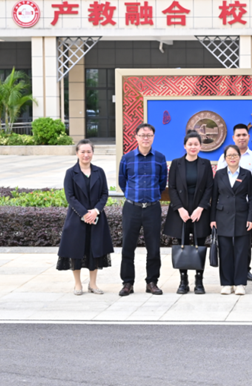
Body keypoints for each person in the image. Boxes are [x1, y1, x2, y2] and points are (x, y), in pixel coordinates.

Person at [58, 139, 114, 295]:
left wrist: (95, 211)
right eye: (82, 151)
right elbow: (70, 196)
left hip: (96, 218)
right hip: (76, 218)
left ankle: (93, 284)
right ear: (77, 153)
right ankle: (77, 284)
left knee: (94, 250)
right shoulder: (71, 173)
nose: (86, 155)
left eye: (89, 151)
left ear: (93, 153)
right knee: (76, 251)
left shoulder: (99, 172)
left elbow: (104, 194)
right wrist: (84, 213)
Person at [118, 123, 168, 296]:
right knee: (128, 246)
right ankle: (127, 283)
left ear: (153, 137)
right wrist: (134, 196)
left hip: (152, 208)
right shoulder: (127, 158)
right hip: (132, 207)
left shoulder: (160, 158)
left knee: (153, 247)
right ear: (136, 137)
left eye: (149, 135)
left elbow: (162, 183)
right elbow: (122, 182)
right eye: (142, 135)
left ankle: (152, 282)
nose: (146, 138)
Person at [163, 131, 214, 295]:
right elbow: (172, 188)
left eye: (196, 144)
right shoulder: (176, 164)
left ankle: (199, 281)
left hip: (200, 211)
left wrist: (201, 208)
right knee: (182, 245)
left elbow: (209, 188)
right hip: (181, 212)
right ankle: (183, 281)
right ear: (185, 146)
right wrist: (180, 209)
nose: (193, 147)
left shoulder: (205, 164)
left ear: (200, 146)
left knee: (200, 245)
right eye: (190, 144)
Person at [217, 123, 252, 282]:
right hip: (228, 209)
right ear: (233, 137)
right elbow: (220, 183)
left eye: (244, 135)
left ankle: (245, 269)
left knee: (244, 241)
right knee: (228, 244)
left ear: (248, 137)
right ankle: (230, 274)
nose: (241, 138)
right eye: (238, 135)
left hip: (249, 206)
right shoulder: (223, 158)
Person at [210, 145, 252, 295]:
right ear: (225, 158)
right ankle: (226, 283)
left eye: (235, 155)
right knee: (225, 251)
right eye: (229, 155)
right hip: (222, 217)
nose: (232, 158)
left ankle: (240, 283)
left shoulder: (246, 174)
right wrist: (213, 218)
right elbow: (214, 198)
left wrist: (250, 217)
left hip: (242, 217)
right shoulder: (219, 174)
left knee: (241, 251)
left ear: (239, 157)